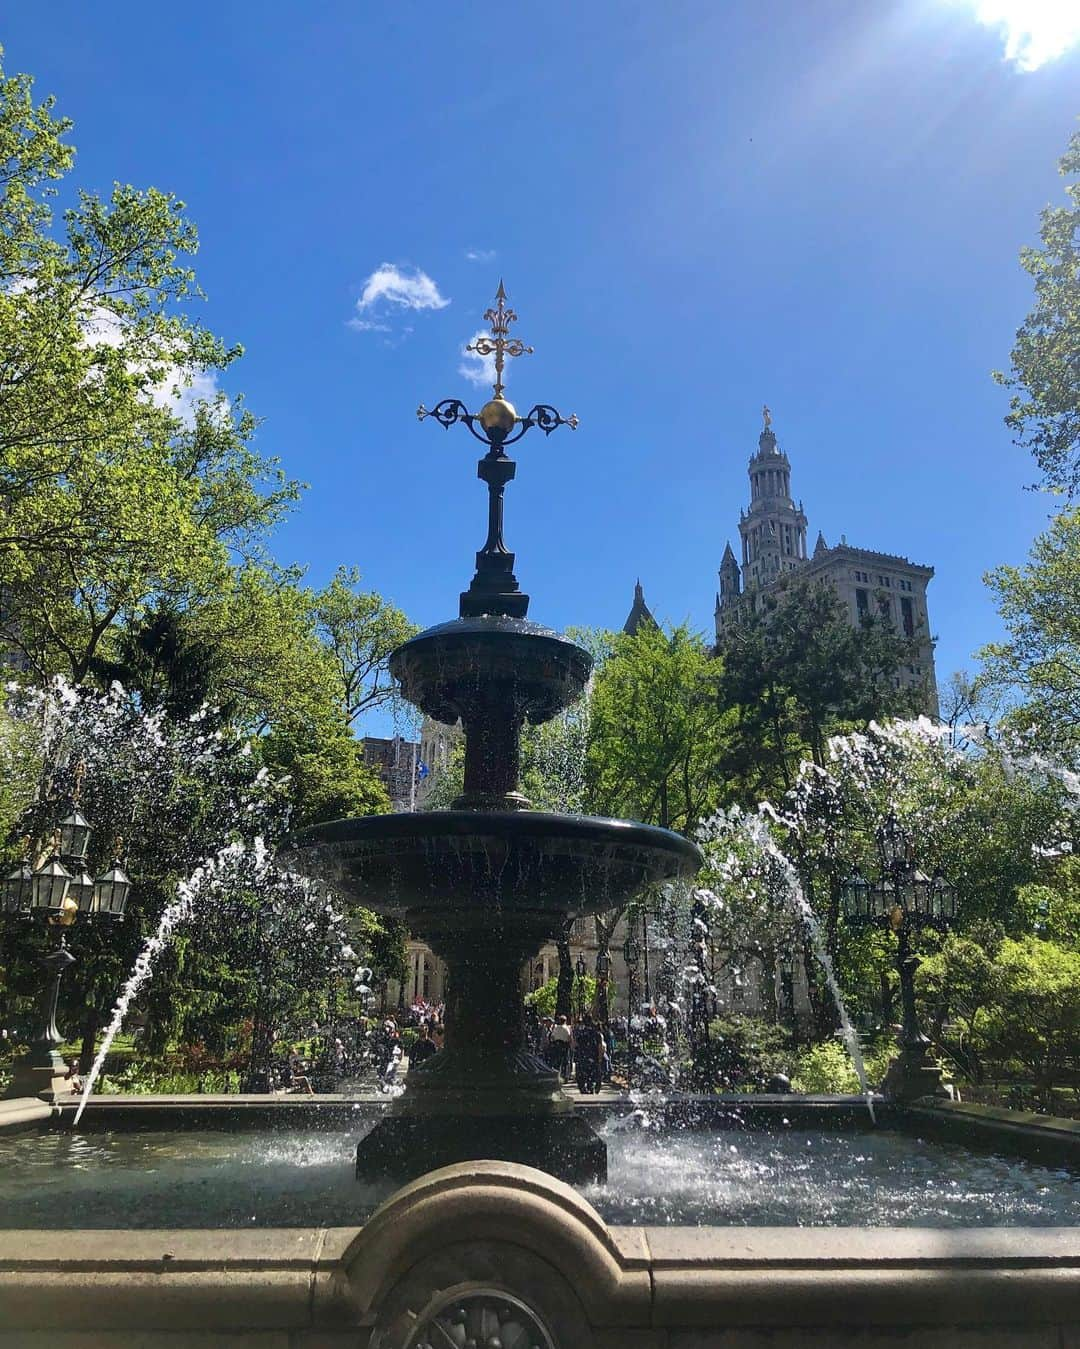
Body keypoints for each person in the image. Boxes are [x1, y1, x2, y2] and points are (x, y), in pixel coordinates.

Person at [573, 1013, 602, 1095]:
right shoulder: (597, 1034)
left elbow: (575, 1045)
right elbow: (600, 1047)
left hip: (582, 1057)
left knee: (582, 1074)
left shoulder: (580, 1033)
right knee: (592, 1073)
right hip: (593, 1056)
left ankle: (583, 1088)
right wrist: (599, 1058)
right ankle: (591, 1086)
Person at [548, 1014, 572, 1081]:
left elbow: (552, 1037)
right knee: (565, 1061)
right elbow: (569, 1038)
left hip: (557, 1046)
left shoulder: (555, 1028)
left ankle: (557, 1075)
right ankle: (565, 1076)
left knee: (557, 1061)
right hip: (565, 1046)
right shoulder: (567, 1028)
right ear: (565, 1021)